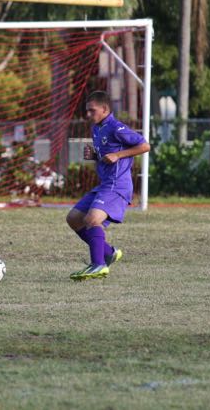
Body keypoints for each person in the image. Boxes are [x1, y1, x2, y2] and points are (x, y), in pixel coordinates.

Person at [66, 91, 150, 281]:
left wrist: (118, 155)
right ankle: (108, 253)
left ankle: (98, 265)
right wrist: (94, 155)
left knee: (92, 219)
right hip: (105, 185)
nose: (88, 115)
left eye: (91, 111)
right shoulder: (97, 128)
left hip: (117, 185)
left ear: (104, 109)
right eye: (87, 111)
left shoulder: (116, 127)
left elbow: (145, 146)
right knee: (74, 218)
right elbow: (106, 152)